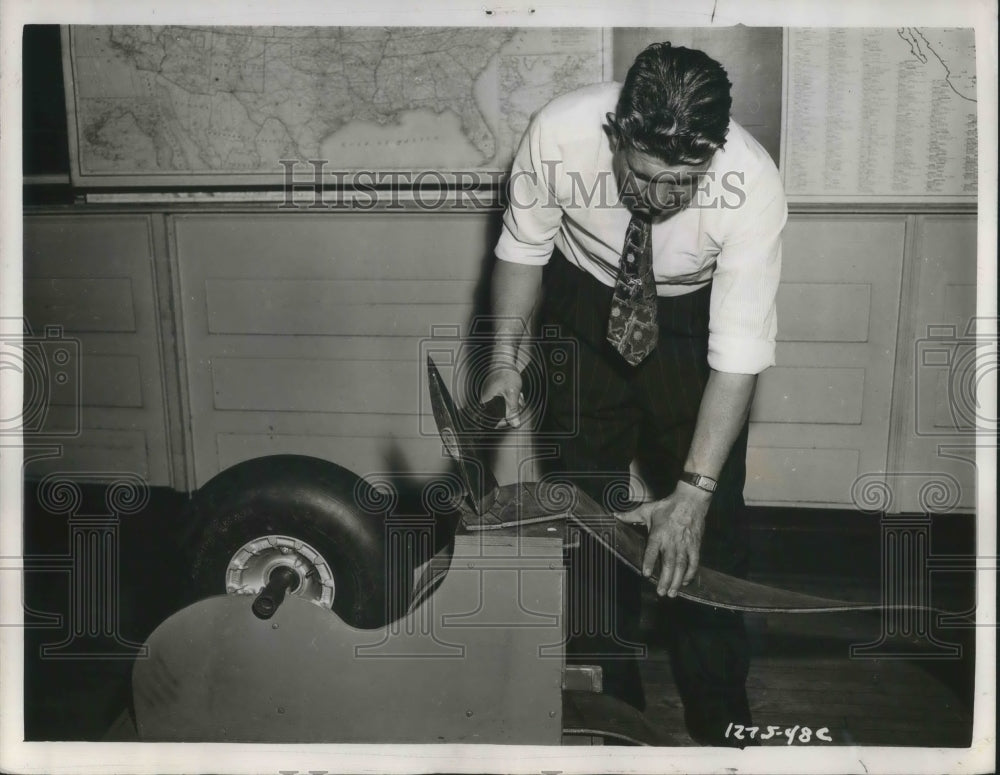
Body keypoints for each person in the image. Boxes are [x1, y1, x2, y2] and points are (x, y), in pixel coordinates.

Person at [480, 42, 787, 746]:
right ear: (618, 136)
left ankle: (721, 722)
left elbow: (738, 357)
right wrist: (503, 361)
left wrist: (695, 492)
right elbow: (524, 249)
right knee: (586, 519)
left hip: (689, 324)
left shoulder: (753, 182)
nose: (662, 199)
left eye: (685, 181)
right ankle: (605, 714)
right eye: (647, 176)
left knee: (703, 531)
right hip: (584, 305)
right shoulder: (559, 132)